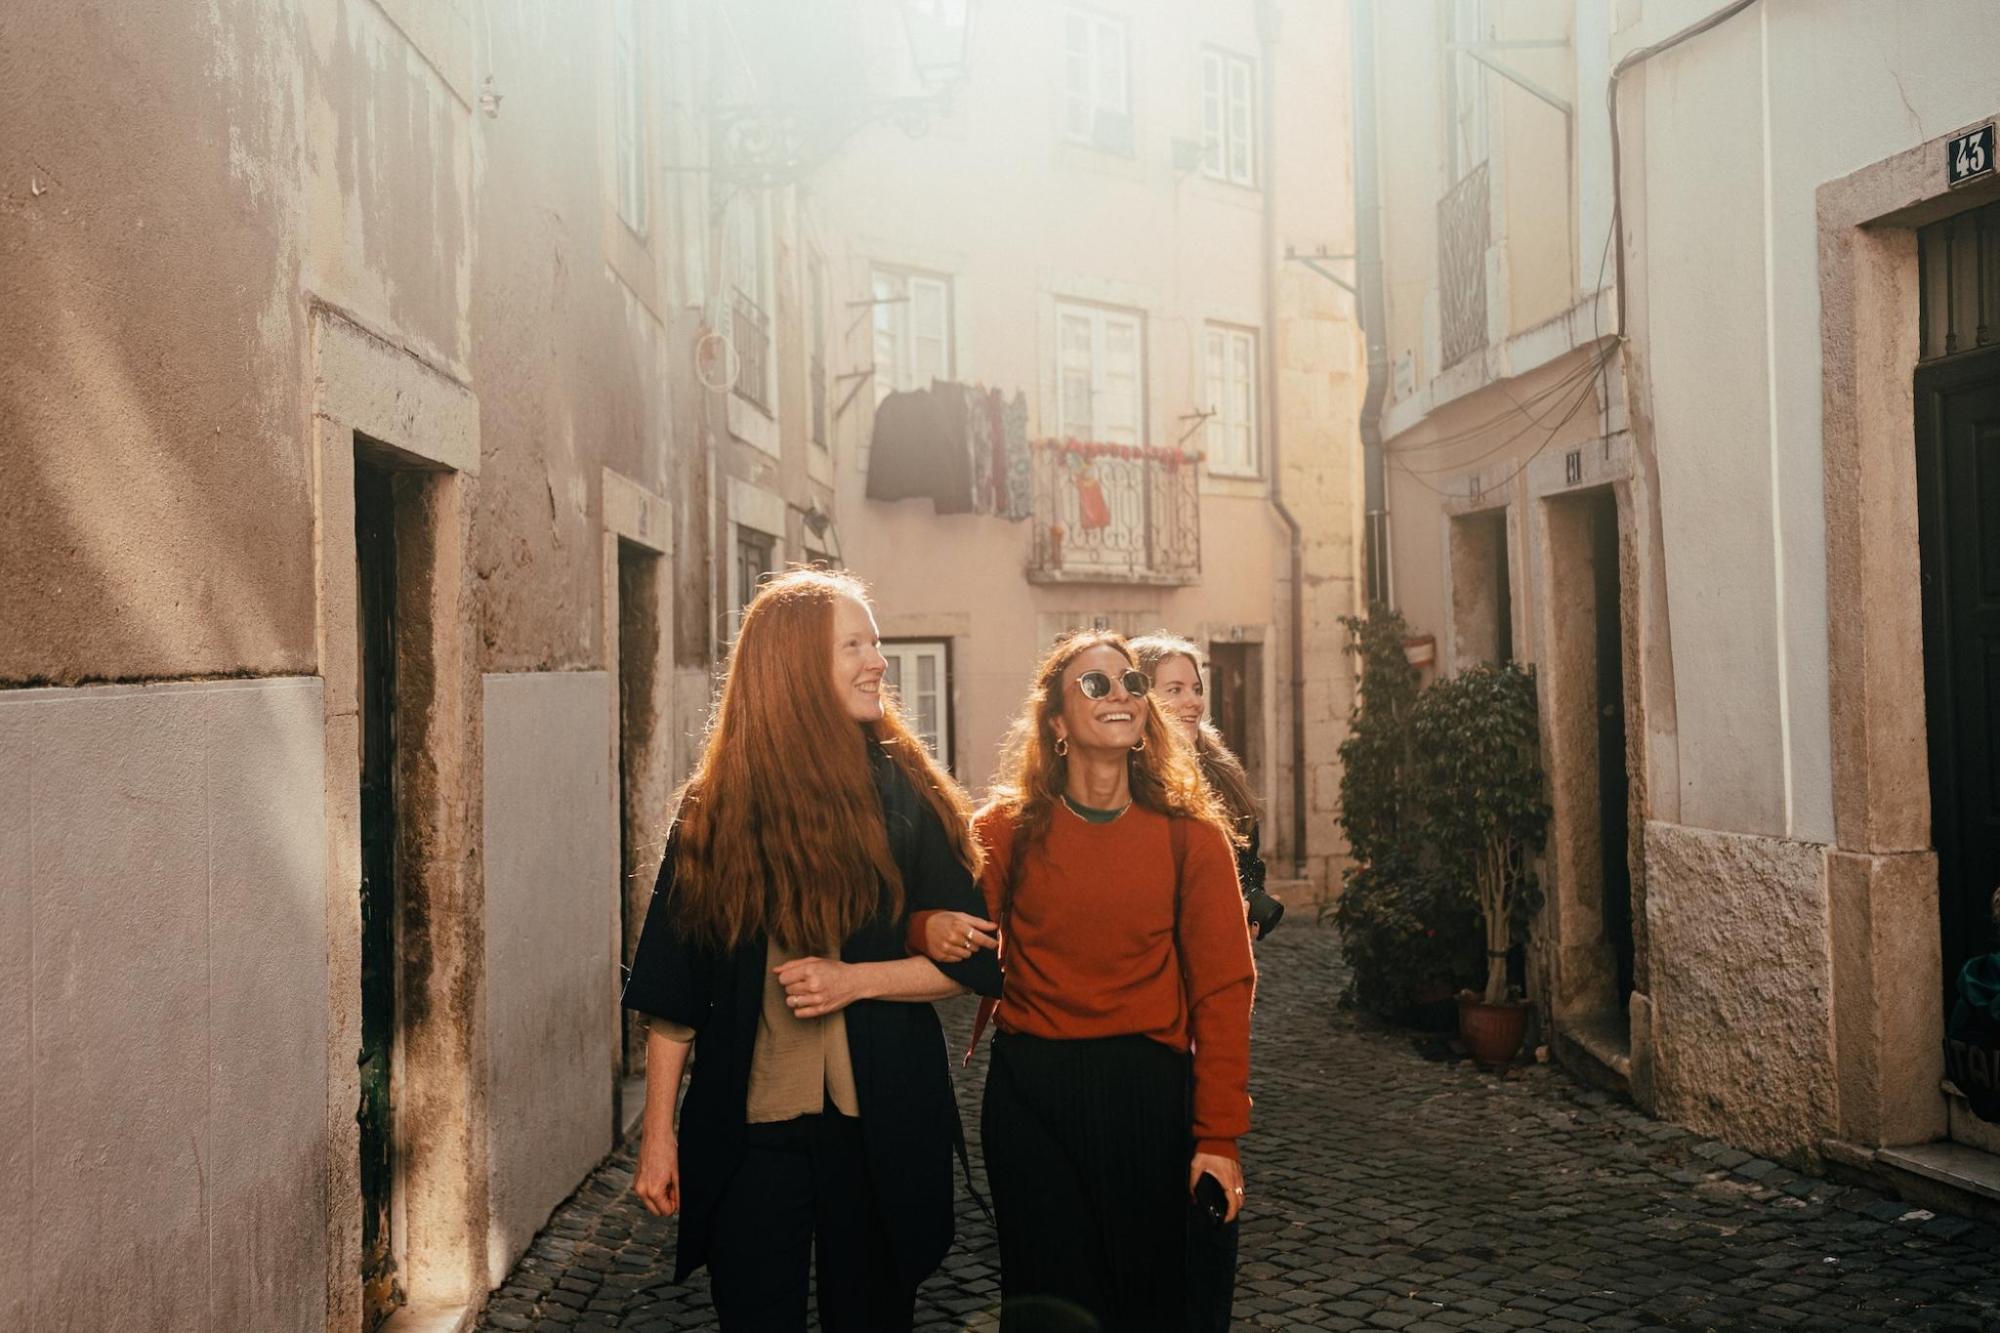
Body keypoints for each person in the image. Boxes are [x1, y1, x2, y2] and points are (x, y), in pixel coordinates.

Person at [621, 569, 1000, 1333]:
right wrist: (657, 1136)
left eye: (877, 643)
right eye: (853, 645)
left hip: (881, 1125)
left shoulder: (906, 793)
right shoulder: (714, 811)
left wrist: (854, 980)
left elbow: (973, 963)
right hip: (749, 1132)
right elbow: (673, 996)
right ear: (793, 667)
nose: (878, 662)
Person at [970, 630, 1256, 1333]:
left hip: (1149, 1094)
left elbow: (1224, 989)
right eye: (1095, 685)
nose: (1121, 694)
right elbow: (949, 928)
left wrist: (1217, 1138)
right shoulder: (1005, 828)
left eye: (1131, 682)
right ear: (1058, 724)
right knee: (1051, 1307)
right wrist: (926, 932)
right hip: (1032, 1095)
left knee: (1150, 1301)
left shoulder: (1192, 835)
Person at [1128, 634, 1284, 942]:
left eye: (1196, 689)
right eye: (1175, 690)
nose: (1194, 702)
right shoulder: (1121, 777)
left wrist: (1248, 901)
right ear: (1140, 698)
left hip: (1220, 949)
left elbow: (1248, 859)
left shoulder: (1223, 772)